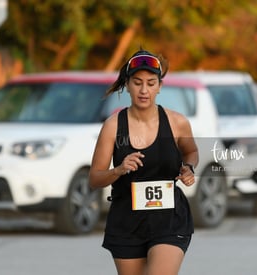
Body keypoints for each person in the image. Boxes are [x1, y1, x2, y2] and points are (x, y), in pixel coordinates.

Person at [89, 49, 198, 275]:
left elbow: (191, 151)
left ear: (159, 86)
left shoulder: (178, 123)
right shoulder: (112, 126)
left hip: (169, 218)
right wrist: (118, 170)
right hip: (126, 220)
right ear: (127, 85)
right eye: (137, 83)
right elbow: (94, 178)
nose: (144, 90)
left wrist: (188, 168)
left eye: (150, 83)